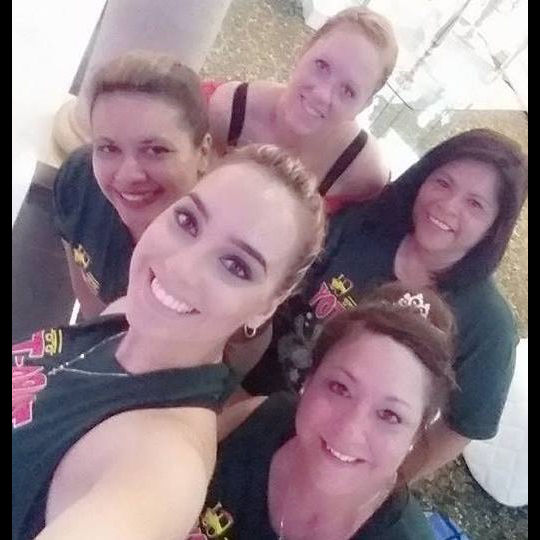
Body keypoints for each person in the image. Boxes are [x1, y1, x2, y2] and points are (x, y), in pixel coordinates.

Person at [12, 145, 326, 540]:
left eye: (235, 265)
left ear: (266, 307)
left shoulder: (163, 464)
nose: (181, 266)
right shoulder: (126, 313)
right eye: (188, 221)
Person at [242, 128, 528, 481]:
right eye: (443, 183)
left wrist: (382, 484)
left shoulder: (488, 326)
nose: (448, 205)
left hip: (338, 457)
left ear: (494, 227)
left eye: (475, 204)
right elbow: (280, 289)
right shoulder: (363, 225)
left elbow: (462, 427)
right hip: (252, 401)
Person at [191, 283, 456, 539]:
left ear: (415, 435)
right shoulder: (253, 420)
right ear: (308, 380)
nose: (349, 430)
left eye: (389, 415)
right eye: (340, 388)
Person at [53, 50, 212, 318]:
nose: (128, 176)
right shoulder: (79, 181)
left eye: (156, 150)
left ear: (203, 152)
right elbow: (87, 290)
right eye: (108, 148)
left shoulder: (223, 253)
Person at [208, 7, 398, 209]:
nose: (322, 95)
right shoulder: (229, 112)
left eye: (348, 91)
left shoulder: (363, 172)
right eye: (322, 65)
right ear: (303, 50)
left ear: (363, 106)